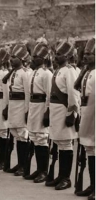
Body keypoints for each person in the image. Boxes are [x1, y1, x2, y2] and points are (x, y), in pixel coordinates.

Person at [45, 41, 80, 190]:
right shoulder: (58, 70)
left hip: (64, 109)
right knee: (60, 143)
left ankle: (66, 178)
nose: (56, 56)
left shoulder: (69, 71)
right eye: (56, 54)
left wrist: (72, 113)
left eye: (59, 54)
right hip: (55, 110)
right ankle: (60, 175)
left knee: (66, 144)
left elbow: (73, 94)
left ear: (68, 56)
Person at [25, 42, 52, 183]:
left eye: (37, 57)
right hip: (33, 107)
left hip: (42, 106)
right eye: (33, 56)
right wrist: (27, 110)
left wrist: (47, 112)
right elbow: (29, 94)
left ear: (44, 58)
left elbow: (48, 95)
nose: (33, 59)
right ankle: (39, 169)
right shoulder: (33, 73)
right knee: (35, 137)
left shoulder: (47, 74)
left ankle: (44, 170)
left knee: (42, 138)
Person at [2, 44, 30, 176]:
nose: (11, 59)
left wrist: (27, 111)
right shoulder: (13, 72)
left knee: (23, 135)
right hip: (13, 105)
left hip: (21, 106)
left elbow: (28, 94)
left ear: (21, 58)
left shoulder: (24, 73)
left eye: (14, 57)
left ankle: (24, 166)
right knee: (16, 135)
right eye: (11, 57)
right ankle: (20, 163)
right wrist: (7, 106)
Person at [74, 38, 95, 200]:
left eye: (90, 54)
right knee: (89, 148)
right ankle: (93, 185)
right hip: (86, 111)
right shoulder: (87, 72)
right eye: (85, 54)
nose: (86, 56)